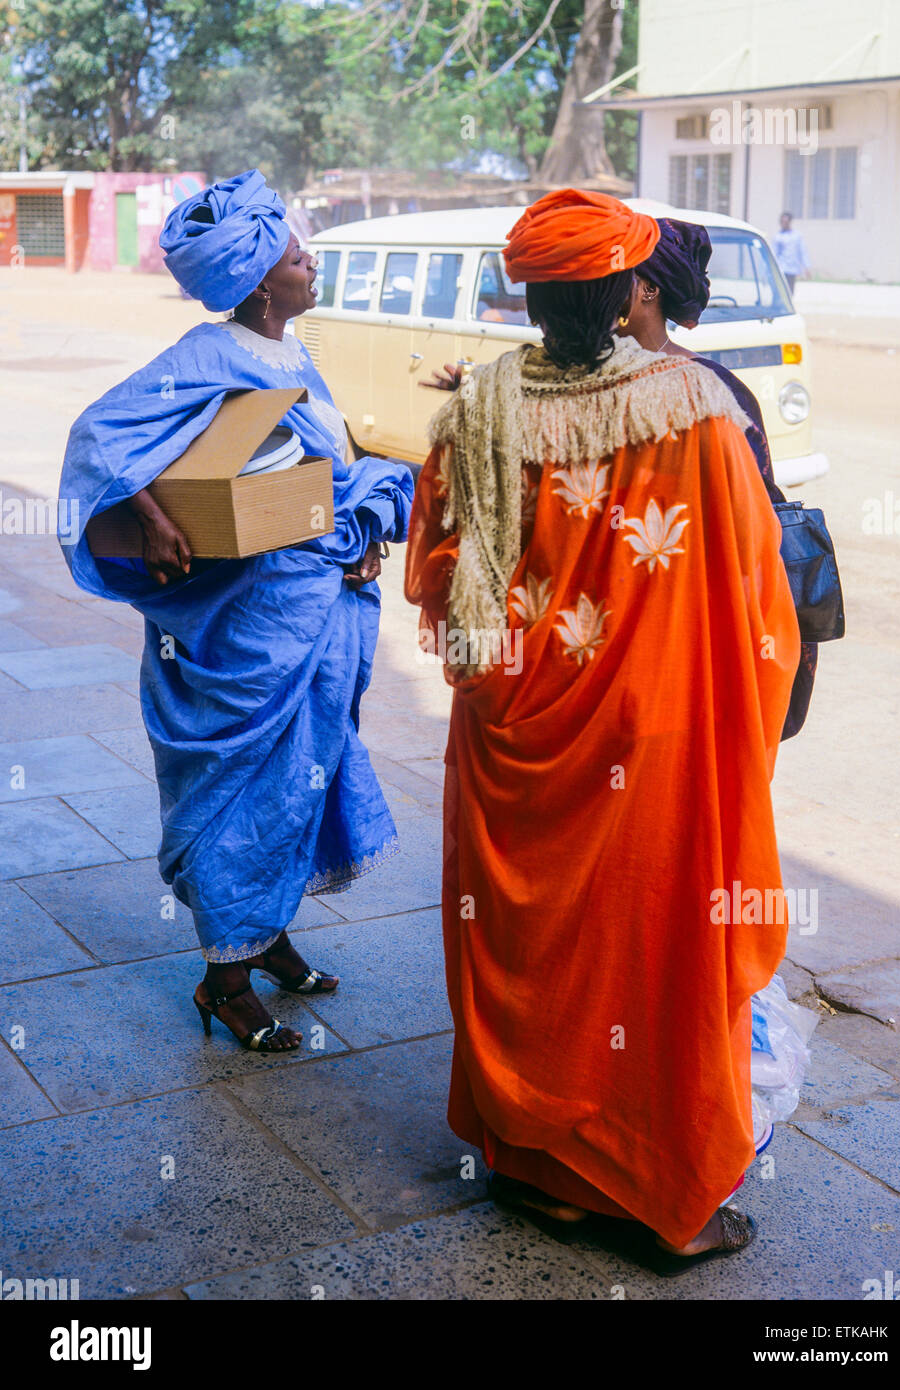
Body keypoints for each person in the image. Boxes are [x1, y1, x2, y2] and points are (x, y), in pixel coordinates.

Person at [405, 188, 801, 1273]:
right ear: (631, 289)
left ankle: (541, 1173)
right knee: (644, 957)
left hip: (506, 736)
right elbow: (753, 604)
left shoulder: (477, 406)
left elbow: (437, 580)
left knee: (524, 946)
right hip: (652, 740)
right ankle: (656, 1191)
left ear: (534, 296)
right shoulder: (699, 412)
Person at [59, 170, 413, 1054]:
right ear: (259, 283)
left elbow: (316, 465)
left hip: (313, 603)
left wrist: (356, 527)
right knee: (242, 787)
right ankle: (224, 979)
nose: (311, 261)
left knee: (305, 774)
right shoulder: (204, 354)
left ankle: (270, 934)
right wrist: (150, 517)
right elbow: (99, 435)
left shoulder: (292, 352)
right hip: (244, 629)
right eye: (298, 255)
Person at [620, 215, 817, 740]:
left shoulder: (712, 390)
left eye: (609, 274)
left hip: (691, 635)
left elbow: (755, 529)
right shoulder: (587, 384)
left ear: (646, 289)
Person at [773, 211, 809, 297]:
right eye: (782, 222)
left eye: (785, 222)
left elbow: (802, 251)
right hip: (781, 269)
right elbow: (774, 254)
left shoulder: (797, 236)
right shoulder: (778, 237)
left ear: (790, 222)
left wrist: (806, 267)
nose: (783, 224)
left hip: (792, 269)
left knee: (790, 293)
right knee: (780, 292)